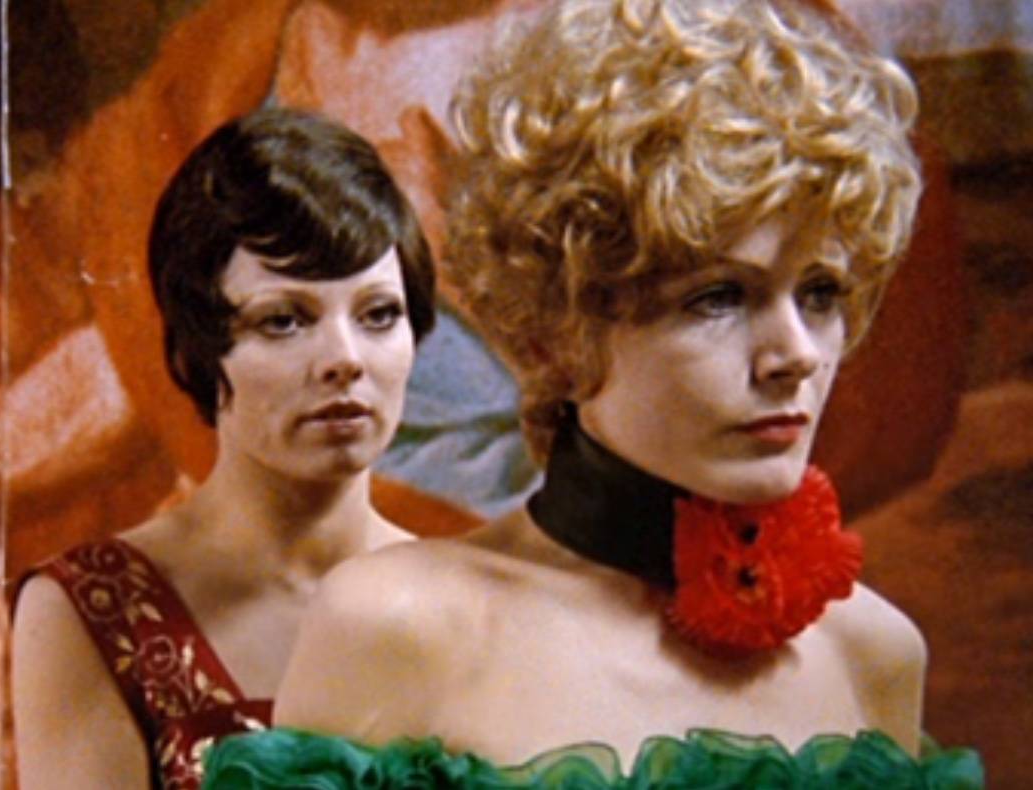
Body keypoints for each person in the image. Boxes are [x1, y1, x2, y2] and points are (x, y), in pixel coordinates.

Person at [203, 1, 983, 786]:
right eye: (718, 297)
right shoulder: (403, 626)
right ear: (560, 330)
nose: (796, 356)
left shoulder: (872, 654)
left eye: (820, 293)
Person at [11, 106, 437, 790]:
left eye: (379, 314)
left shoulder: (465, 601)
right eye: (284, 320)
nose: (346, 359)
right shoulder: (96, 611)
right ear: (199, 351)